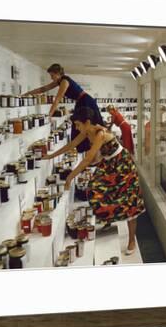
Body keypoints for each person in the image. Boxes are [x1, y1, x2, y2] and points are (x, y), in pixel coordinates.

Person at [44, 107, 145, 255]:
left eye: (78, 124)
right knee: (94, 189)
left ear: (88, 122)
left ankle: (131, 240)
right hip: (110, 164)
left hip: (123, 165)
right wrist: (51, 156)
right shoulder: (86, 131)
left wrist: (70, 177)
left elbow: (88, 158)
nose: (77, 128)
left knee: (129, 203)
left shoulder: (100, 133)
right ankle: (108, 217)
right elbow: (71, 145)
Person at [23, 63, 103, 152]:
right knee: (78, 127)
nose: (51, 78)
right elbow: (43, 89)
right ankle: (87, 151)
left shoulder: (64, 82)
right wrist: (27, 93)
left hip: (86, 101)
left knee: (86, 126)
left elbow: (57, 99)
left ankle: (92, 150)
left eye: (52, 75)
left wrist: (49, 115)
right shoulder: (59, 81)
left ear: (58, 74)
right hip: (81, 101)